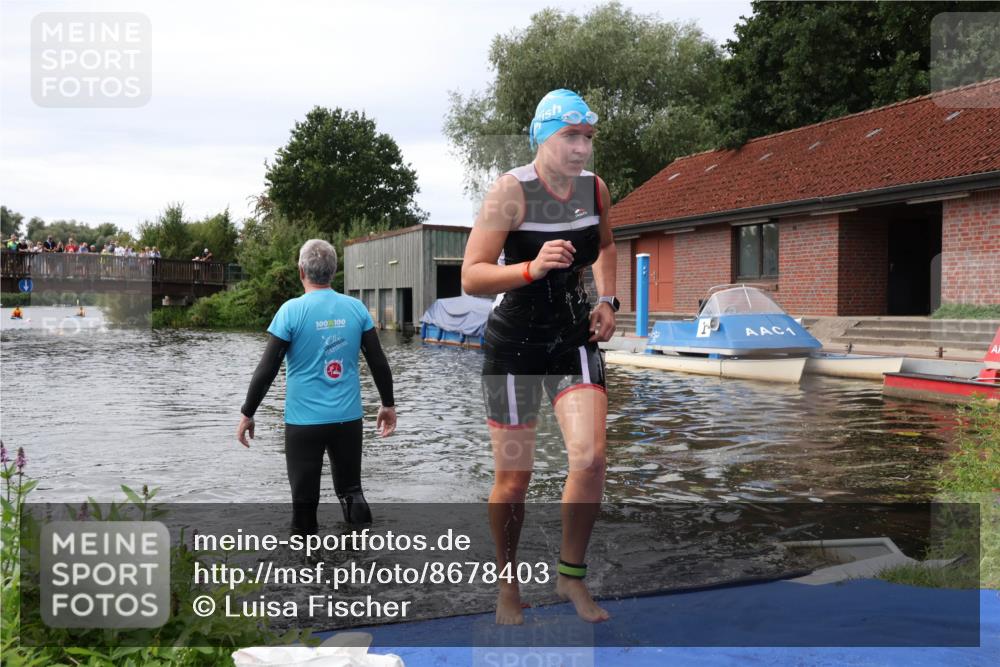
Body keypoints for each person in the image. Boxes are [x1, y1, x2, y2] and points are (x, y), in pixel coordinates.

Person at [461, 89, 619, 625]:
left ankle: (570, 575)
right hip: (514, 346)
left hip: (572, 337)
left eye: (587, 138)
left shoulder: (595, 190)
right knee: (514, 479)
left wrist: (607, 300)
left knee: (591, 459)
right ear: (541, 137)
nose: (581, 149)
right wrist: (530, 267)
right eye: (569, 137)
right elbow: (473, 276)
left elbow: (609, 247)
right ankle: (508, 585)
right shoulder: (511, 191)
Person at [236, 239, 397, 533]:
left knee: (304, 502)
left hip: (303, 422)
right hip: (348, 420)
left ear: (301, 271)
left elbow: (267, 369)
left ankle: (305, 571)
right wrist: (388, 405)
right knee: (352, 491)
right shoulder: (356, 309)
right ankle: (363, 559)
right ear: (334, 272)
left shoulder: (290, 311)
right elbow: (378, 361)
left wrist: (248, 413)